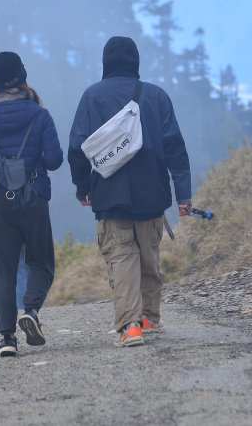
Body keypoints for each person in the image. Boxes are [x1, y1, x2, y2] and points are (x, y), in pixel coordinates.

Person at [68, 36, 192, 347]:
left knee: (122, 257)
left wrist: (83, 187)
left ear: (105, 63)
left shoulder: (92, 97)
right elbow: (175, 148)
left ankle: (131, 327)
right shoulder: (156, 95)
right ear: (136, 62)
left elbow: (76, 147)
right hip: (153, 192)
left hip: (110, 194)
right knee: (149, 255)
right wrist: (184, 195)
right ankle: (150, 316)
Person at [0, 51, 63, 358]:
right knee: (41, 261)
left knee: (0, 270)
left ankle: (7, 338)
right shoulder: (39, 115)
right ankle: (30, 309)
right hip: (34, 199)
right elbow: (55, 160)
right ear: (23, 75)